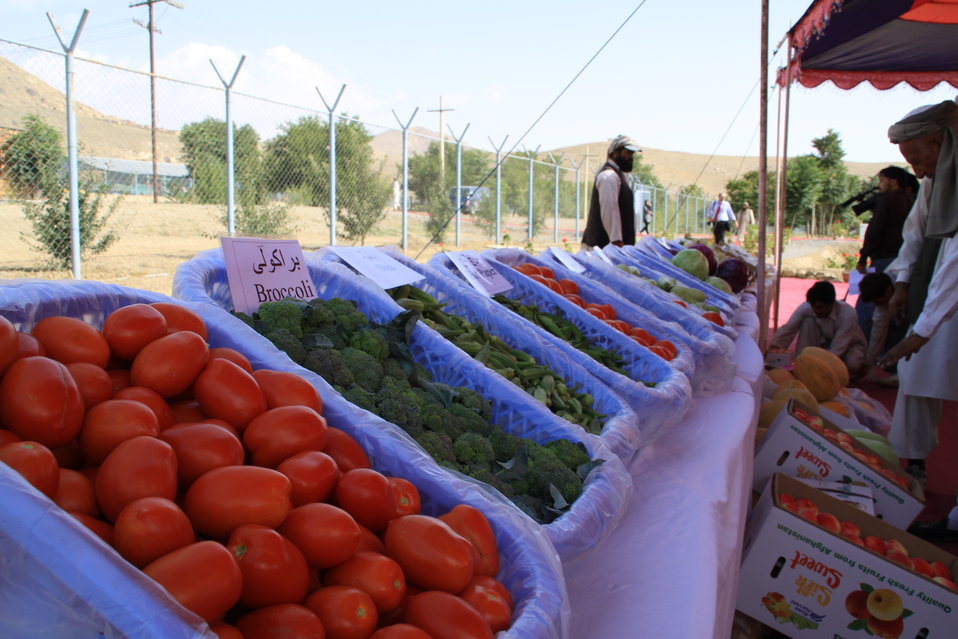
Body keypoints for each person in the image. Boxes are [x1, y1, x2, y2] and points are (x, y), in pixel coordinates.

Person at [877, 100, 958, 539]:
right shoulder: (937, 175)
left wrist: (924, 329)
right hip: (939, 288)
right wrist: (904, 281)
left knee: (917, 356)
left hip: (949, 289)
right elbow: (917, 228)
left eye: (918, 158)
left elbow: (957, 261)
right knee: (915, 374)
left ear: (938, 140)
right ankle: (912, 466)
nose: (917, 170)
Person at [854, 166, 917, 340]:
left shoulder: (887, 200)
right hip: (904, 260)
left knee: (869, 303)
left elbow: (875, 231)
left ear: (893, 181)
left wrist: (863, 257)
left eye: (882, 180)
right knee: (895, 306)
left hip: (882, 259)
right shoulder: (911, 201)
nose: (880, 185)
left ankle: (862, 346)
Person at [769, 280, 867, 376]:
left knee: (853, 364)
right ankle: (802, 362)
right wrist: (775, 348)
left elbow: (840, 345)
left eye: (819, 307)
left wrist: (820, 368)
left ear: (831, 304)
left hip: (849, 346)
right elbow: (789, 328)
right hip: (824, 342)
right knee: (808, 322)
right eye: (813, 306)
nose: (815, 310)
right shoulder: (808, 307)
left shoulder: (848, 314)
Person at [582, 135, 642, 248]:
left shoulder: (619, 176)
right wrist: (616, 240)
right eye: (627, 153)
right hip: (603, 248)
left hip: (611, 248)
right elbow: (609, 208)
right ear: (615, 153)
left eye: (632, 154)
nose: (631, 157)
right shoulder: (609, 176)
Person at [856, 271, 906, 385]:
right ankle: (896, 370)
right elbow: (878, 332)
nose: (877, 305)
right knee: (889, 326)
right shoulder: (883, 292)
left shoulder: (907, 280)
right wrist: (869, 362)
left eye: (877, 301)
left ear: (888, 291)